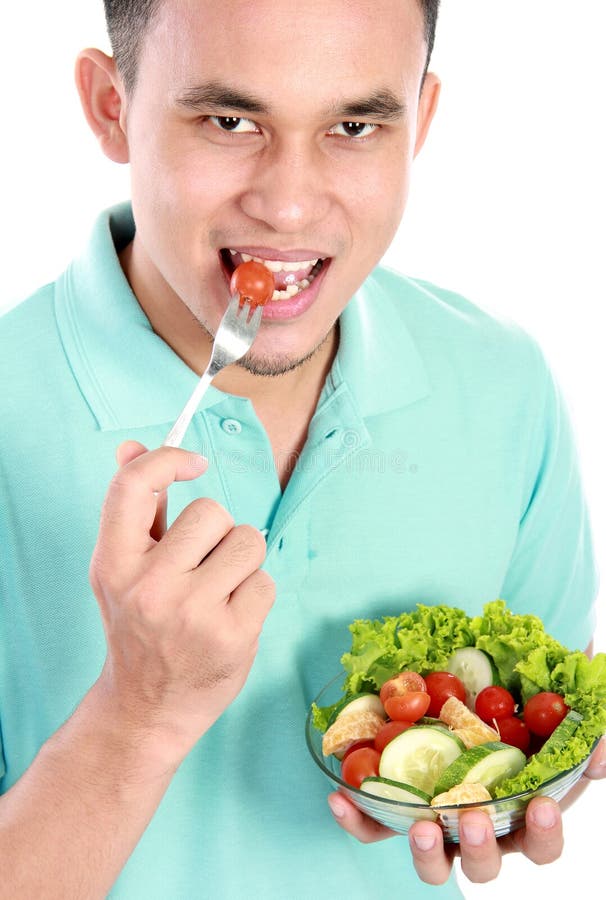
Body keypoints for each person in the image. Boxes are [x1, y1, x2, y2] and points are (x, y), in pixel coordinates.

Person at [0, 1, 603, 897]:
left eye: (354, 125)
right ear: (109, 106)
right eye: (230, 121)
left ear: (421, 123)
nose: (288, 204)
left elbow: (536, 725)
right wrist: (135, 719)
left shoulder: (501, 380)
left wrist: (510, 798)